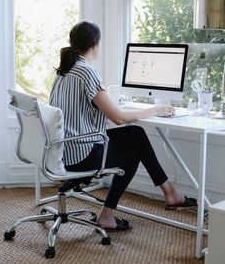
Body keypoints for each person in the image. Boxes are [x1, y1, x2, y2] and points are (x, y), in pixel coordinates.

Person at [49, 20, 197, 232]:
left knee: (136, 133)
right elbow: (118, 118)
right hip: (81, 155)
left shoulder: (65, 71)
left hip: (64, 150)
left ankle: (170, 193)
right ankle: (108, 216)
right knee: (132, 152)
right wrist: (154, 110)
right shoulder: (86, 72)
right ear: (95, 45)